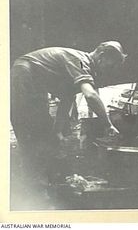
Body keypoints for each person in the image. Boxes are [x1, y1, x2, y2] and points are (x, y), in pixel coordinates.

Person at [10, 41, 127, 208]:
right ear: (102, 56)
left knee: (44, 135)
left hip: (31, 79)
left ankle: (40, 187)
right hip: (24, 74)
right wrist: (108, 125)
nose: (111, 71)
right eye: (111, 66)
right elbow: (90, 95)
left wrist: (58, 131)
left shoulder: (81, 66)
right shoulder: (80, 61)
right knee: (33, 134)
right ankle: (31, 194)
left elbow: (66, 100)